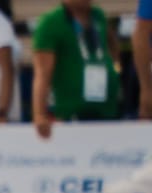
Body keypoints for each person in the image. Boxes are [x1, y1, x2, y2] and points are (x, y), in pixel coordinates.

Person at [32, 0, 121, 138]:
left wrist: (114, 70)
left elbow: (112, 44)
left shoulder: (98, 16)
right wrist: (39, 114)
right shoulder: (51, 22)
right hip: (72, 114)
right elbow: (42, 73)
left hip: (107, 110)